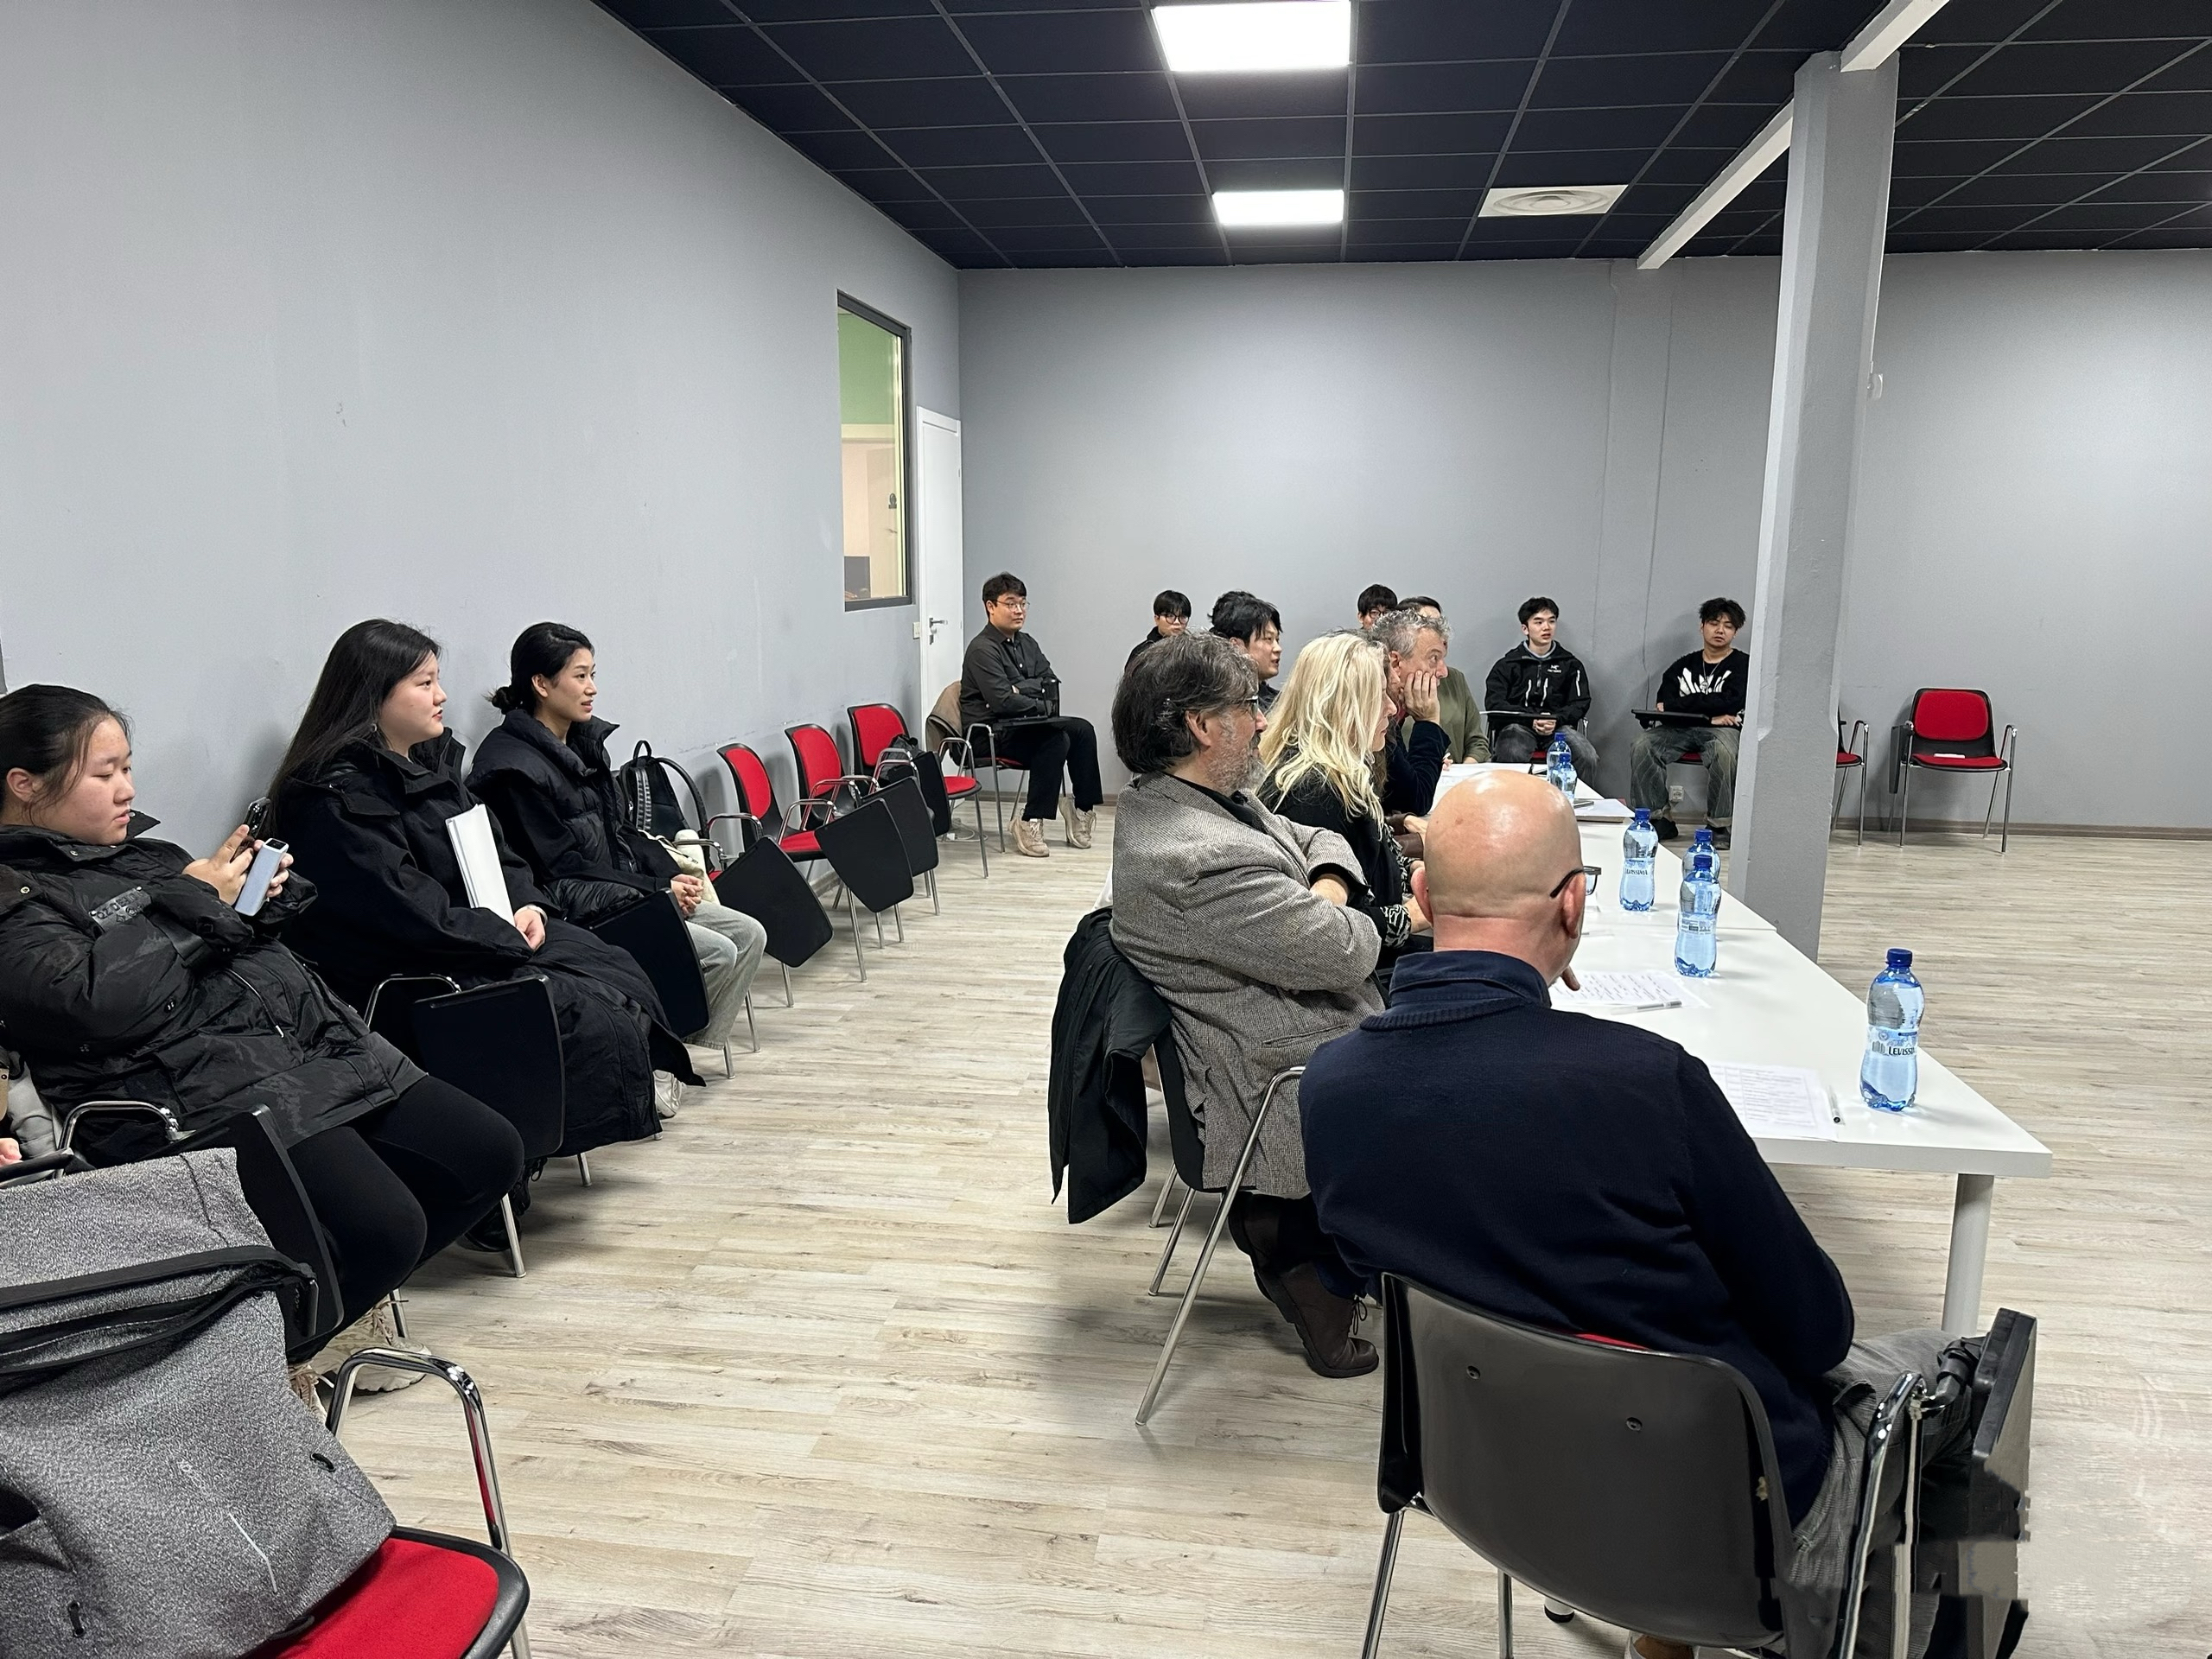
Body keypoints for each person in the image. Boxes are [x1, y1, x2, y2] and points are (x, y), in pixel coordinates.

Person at [1300, 772, 1993, 1659]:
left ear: (1424, 895)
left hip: (1490, 1496)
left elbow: (1382, 1274)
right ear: (1574, 904)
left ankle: (1662, 1638)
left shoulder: (1330, 1089)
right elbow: (1820, 1332)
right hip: (1733, 1530)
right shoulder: (1645, 1084)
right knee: (1978, 1368)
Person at [0, 683, 524, 1386]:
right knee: (385, 1231)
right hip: (194, 1092)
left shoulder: (145, 855)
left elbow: (213, 945)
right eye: (104, 774)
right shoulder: (15, 896)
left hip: (307, 1048)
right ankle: (244, 1374)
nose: (128, 789)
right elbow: (90, 1004)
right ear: (25, 784)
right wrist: (198, 902)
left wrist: (257, 898)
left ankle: (304, 1326)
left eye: (127, 767)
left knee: (487, 1153)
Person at [270, 620, 696, 1159]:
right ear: (374, 695)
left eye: (437, 680)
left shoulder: (431, 768)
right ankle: (527, 1150)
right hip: (423, 963)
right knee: (579, 1006)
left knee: (611, 963)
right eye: (425, 683)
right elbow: (407, 909)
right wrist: (505, 935)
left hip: (483, 932)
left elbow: (499, 851)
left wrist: (528, 904)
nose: (442, 696)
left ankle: (619, 1093)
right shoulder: (334, 800)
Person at [1108, 634, 1383, 1377]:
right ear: (1202, 725)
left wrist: (1322, 886)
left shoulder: (1197, 800)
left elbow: (1315, 835)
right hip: (1277, 1070)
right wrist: (1338, 905)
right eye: (1248, 706)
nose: (1263, 720)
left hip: (1294, 1022)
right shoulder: (1194, 855)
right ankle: (1313, 1249)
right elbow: (1349, 952)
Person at [467, 622, 767, 1065]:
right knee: (719, 953)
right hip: (575, 906)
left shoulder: (582, 744)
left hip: (620, 889)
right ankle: (657, 1057)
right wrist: (657, 892)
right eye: (580, 676)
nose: (592, 688)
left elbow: (619, 832)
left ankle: (675, 1049)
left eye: (593, 675)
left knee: (750, 934)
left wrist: (669, 879)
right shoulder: (511, 769)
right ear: (541, 684)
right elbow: (560, 869)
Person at [1258, 632, 1429, 995]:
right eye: (1379, 696)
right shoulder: (1313, 794)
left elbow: (1370, 855)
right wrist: (1418, 915)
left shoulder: (1331, 775)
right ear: (1345, 705)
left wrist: (1415, 871)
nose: (1390, 708)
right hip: (1361, 985)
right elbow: (1325, 932)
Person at [959, 573, 1103, 859]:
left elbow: (1051, 684)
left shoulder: (1027, 643)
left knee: (1082, 730)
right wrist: (1032, 693)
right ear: (990, 607)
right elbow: (1002, 702)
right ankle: (1029, 820)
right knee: (1055, 740)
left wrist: (1020, 688)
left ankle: (1080, 809)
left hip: (1026, 725)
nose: (1019, 611)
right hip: (991, 733)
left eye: (1023, 604)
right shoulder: (981, 649)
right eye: (1011, 604)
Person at [1631, 596, 1750, 847]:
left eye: (1728, 626)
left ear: (1735, 632)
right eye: (1714, 623)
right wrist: (1710, 715)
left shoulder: (1743, 665)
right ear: (1702, 626)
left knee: (1724, 751)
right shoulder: (1683, 666)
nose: (1720, 630)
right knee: (1643, 744)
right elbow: (1665, 702)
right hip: (1679, 728)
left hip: (1723, 731)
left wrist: (1687, 705)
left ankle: (1719, 825)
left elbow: (1732, 701)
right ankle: (1658, 819)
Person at [1486, 596, 1596, 772]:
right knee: (1511, 752)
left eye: (1551, 621)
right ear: (1525, 628)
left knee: (1586, 756)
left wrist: (1555, 719)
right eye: (1538, 622)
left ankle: (1569, 790)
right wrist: (1531, 719)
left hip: (1559, 727)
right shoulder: (1507, 665)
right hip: (1518, 727)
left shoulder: (1571, 665)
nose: (1546, 627)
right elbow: (1495, 704)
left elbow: (1580, 703)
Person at [1368, 607, 1450, 819]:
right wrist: (1428, 721)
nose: (1443, 672)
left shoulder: (1395, 712)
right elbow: (1414, 801)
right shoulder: (1373, 714)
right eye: (1434, 658)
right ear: (1395, 662)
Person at [1396, 596, 1489, 764]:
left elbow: (1477, 742)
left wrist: (1462, 772)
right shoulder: (1391, 701)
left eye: (1441, 624)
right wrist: (1429, 760)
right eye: (1430, 625)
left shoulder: (1454, 678)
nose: (1440, 632)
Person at [1208, 590, 1284, 710]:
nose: (1278, 648)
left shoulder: (1282, 702)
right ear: (1236, 646)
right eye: (1268, 639)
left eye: (1277, 640)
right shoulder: (1220, 706)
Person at [1126, 589, 1192, 666]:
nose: (1177, 622)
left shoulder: (1192, 651)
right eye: (1170, 616)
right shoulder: (1142, 653)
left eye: (1183, 617)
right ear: (1157, 619)